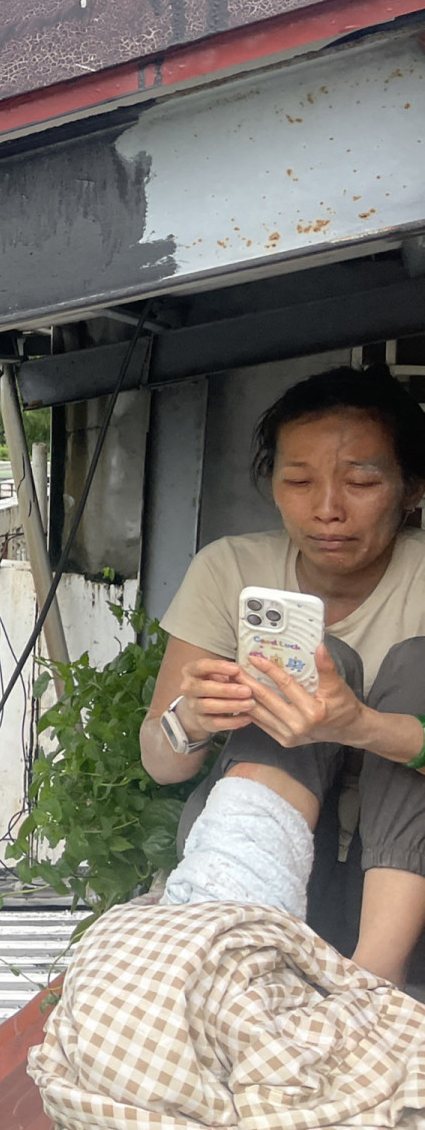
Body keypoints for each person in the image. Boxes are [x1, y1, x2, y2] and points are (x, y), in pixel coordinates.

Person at [141, 365, 425, 982]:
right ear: (273, 485)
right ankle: (241, 959)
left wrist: (362, 726)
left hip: (409, 891)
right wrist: (189, 722)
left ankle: (377, 980)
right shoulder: (229, 569)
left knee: (417, 666)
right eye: (299, 480)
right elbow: (161, 763)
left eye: (362, 481)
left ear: (412, 491)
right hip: (279, 866)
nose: (327, 509)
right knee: (305, 664)